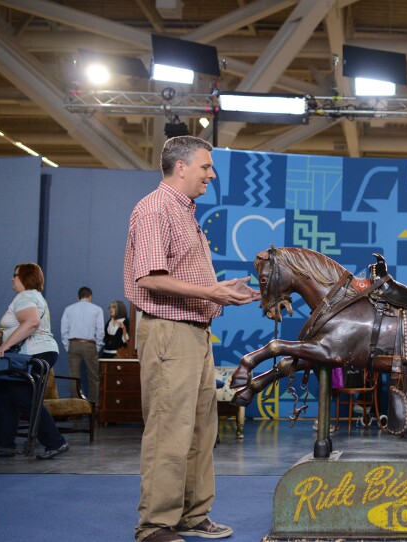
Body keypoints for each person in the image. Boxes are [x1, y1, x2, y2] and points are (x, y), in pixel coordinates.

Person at [125, 135, 260, 542]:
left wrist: (222, 290)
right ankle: (155, 525)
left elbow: (182, 276)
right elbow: (150, 277)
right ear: (180, 166)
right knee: (169, 428)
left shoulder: (184, 212)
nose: (211, 174)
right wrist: (210, 292)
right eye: (206, 166)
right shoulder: (155, 208)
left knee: (202, 429)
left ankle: (193, 514)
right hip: (169, 333)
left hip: (195, 333)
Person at [0, 263, 70, 460]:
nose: (12, 278)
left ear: (25, 277)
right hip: (37, 351)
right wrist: (5, 332)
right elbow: (26, 323)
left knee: (21, 395)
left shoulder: (25, 297)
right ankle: (4, 445)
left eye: (15, 275)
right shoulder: (33, 296)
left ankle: (56, 441)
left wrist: (5, 346)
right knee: (6, 394)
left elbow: (32, 322)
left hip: (34, 353)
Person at [61, 286, 104, 402]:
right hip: (90, 345)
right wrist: (97, 347)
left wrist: (68, 346)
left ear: (78, 298)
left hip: (73, 344)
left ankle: (76, 407)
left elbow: (64, 330)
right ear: (90, 297)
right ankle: (93, 406)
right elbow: (100, 331)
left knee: (74, 377)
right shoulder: (97, 309)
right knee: (93, 377)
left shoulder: (69, 309)